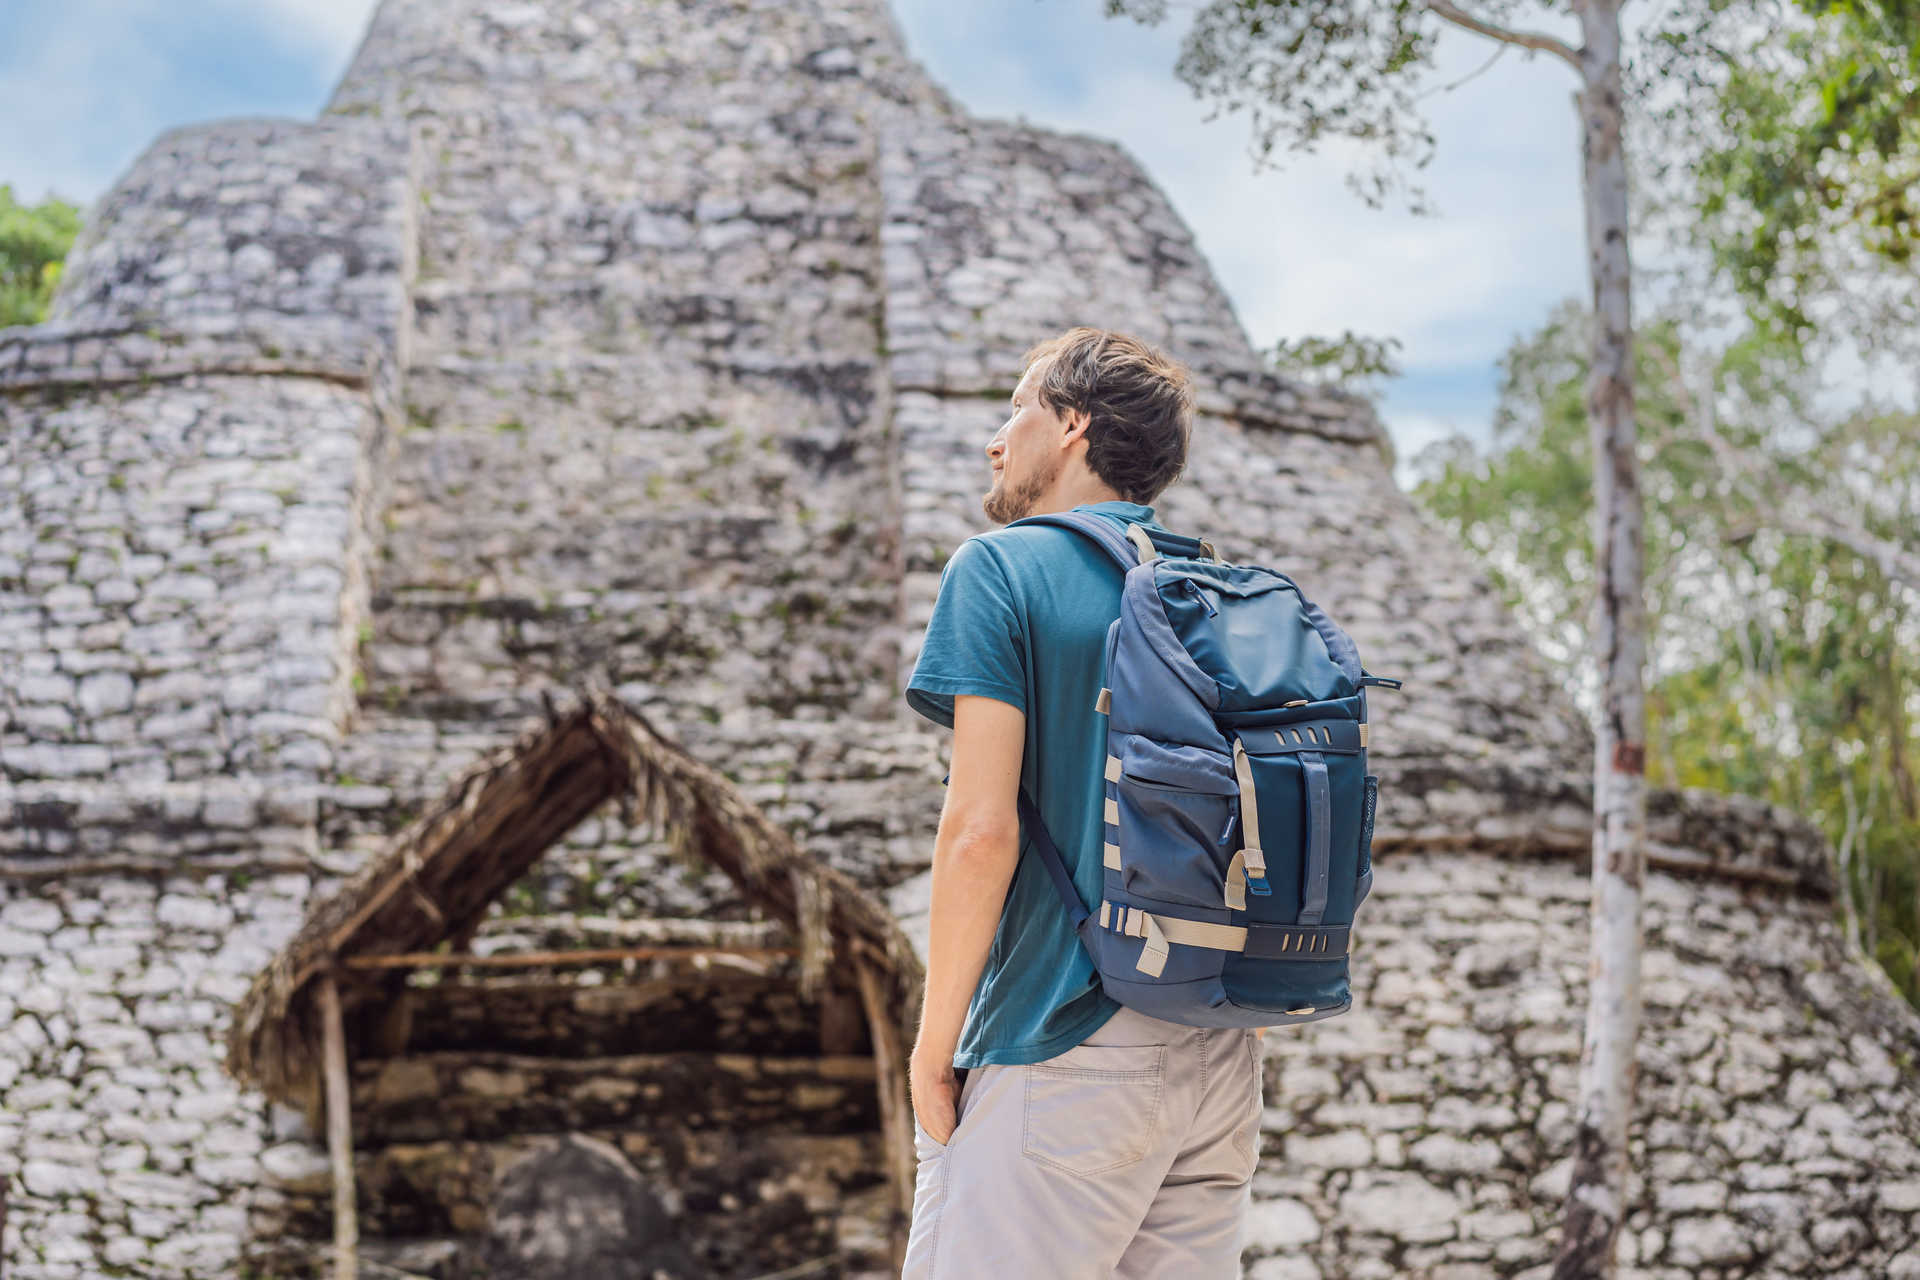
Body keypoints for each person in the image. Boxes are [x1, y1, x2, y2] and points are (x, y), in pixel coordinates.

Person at [900, 326, 1266, 1279]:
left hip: (1065, 1035)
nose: (996, 440)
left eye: (1018, 408)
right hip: (1220, 1051)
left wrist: (934, 1047)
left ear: (1072, 425)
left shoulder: (1000, 569)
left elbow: (980, 834)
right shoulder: (1216, 590)